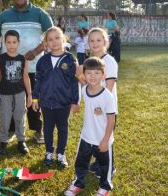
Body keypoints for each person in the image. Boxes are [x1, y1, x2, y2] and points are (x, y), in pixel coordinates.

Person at [0, 0, 53, 144]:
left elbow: (52, 35)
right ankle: (11, 130)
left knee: (35, 98)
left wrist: (36, 51)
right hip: (10, 68)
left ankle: (38, 130)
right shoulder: (4, 16)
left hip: (34, 67)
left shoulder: (40, 14)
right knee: (10, 100)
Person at [65, 57, 116, 196]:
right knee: (80, 163)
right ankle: (78, 183)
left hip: (102, 139)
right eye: (89, 73)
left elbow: (111, 119)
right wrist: (73, 106)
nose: (92, 76)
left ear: (103, 76)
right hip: (86, 136)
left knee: (105, 166)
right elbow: (78, 103)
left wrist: (105, 140)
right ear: (84, 75)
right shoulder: (84, 90)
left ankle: (105, 187)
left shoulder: (107, 96)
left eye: (97, 73)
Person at [32, 26, 79, 168]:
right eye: (50, 39)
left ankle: (60, 154)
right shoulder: (43, 61)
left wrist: (75, 101)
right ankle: (48, 152)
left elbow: (74, 82)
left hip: (63, 103)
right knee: (48, 128)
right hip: (46, 102)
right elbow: (38, 80)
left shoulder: (70, 59)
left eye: (57, 38)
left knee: (63, 128)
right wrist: (35, 98)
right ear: (46, 43)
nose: (54, 42)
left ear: (63, 39)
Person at [76, 28, 118, 178]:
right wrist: (79, 75)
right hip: (94, 108)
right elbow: (86, 84)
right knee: (95, 136)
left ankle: (109, 167)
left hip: (106, 108)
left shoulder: (109, 61)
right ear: (88, 43)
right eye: (92, 40)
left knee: (105, 138)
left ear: (105, 42)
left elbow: (109, 85)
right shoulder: (90, 62)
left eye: (99, 40)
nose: (95, 43)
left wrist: (100, 104)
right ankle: (97, 163)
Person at [0, 30, 31, 155]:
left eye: (14, 42)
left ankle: (21, 140)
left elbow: (26, 77)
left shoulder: (23, 59)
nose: (11, 45)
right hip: (5, 93)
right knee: (5, 117)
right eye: (9, 42)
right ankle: (3, 141)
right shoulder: (0, 58)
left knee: (20, 116)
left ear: (18, 43)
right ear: (4, 43)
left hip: (20, 93)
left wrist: (29, 95)